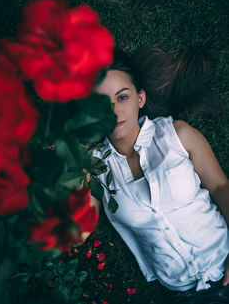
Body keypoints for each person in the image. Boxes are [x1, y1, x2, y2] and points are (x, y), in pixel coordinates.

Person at [90, 46, 229, 303]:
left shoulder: (177, 134)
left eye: (122, 98)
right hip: (184, 295)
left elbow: (220, 186)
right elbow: (77, 231)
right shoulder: (94, 166)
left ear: (140, 98)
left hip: (224, 258)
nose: (114, 112)